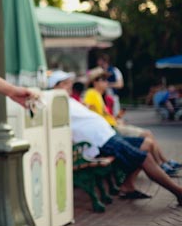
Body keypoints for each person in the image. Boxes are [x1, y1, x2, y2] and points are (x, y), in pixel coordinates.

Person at [48, 70, 182, 204]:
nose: (69, 86)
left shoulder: (68, 100)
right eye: (65, 83)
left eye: (69, 83)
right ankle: (178, 191)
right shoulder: (57, 103)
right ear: (55, 87)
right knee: (144, 157)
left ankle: (128, 186)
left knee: (146, 144)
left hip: (108, 136)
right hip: (102, 142)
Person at [82, 67, 180, 176]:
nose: (107, 83)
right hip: (109, 129)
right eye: (104, 80)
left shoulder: (98, 94)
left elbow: (103, 115)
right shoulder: (91, 93)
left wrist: (117, 118)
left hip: (112, 126)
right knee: (147, 136)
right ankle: (162, 165)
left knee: (148, 137)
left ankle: (164, 163)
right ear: (95, 81)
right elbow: (87, 109)